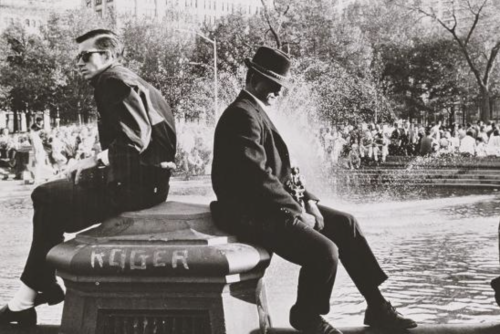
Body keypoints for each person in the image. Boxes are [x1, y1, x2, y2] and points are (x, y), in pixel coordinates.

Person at [210, 46, 416, 334]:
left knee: (347, 224)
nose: (279, 93)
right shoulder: (241, 115)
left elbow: (283, 170)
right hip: (252, 214)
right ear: (255, 79)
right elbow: (255, 177)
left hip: (269, 207)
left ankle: (377, 306)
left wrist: (310, 202)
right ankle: (306, 314)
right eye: (275, 85)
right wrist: (295, 211)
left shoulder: (254, 111)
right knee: (325, 252)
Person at [0, 29, 177, 326]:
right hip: (148, 181)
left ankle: (32, 294)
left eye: (85, 55)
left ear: (107, 56)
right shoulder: (130, 79)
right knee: (51, 201)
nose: (79, 62)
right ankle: (31, 294)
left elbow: (134, 140)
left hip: (135, 186)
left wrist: (90, 160)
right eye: (77, 56)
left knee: (45, 197)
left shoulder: (112, 81)